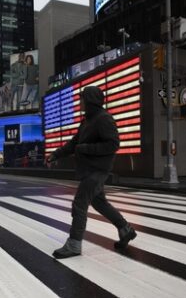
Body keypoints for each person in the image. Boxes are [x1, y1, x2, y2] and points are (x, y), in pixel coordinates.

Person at [46, 86, 137, 259]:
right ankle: (125, 230)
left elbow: (113, 144)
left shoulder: (104, 119)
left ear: (90, 101)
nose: (79, 102)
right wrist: (55, 155)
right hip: (89, 169)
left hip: (97, 170)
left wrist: (85, 148)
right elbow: (73, 144)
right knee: (100, 203)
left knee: (80, 203)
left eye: (81, 99)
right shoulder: (87, 120)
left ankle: (74, 244)